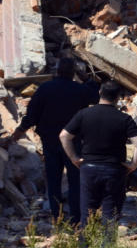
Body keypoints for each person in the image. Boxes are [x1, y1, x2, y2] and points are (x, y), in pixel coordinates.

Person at [10, 58, 97, 224]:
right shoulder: (80, 90)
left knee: (54, 180)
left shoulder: (45, 89)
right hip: (73, 142)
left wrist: (19, 131)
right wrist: (85, 78)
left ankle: (57, 216)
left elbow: (32, 115)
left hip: (50, 141)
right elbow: (95, 95)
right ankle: (76, 218)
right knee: (75, 180)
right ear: (73, 73)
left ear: (57, 72)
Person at [59, 80, 137, 228]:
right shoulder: (124, 118)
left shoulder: (84, 114)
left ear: (99, 92)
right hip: (114, 170)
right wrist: (133, 165)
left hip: (89, 168)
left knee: (87, 213)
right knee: (110, 215)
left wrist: (74, 158)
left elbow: (64, 136)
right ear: (118, 97)